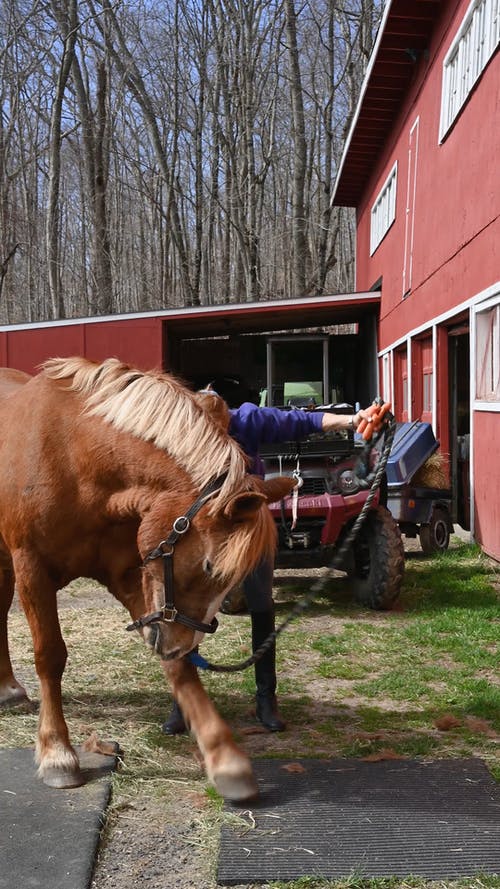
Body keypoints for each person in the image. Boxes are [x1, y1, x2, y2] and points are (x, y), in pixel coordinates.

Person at [162, 380, 368, 735]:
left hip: (246, 525)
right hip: (205, 527)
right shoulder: (182, 430)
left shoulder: (248, 420)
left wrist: (354, 421)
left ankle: (265, 698)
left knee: (261, 606)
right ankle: (182, 701)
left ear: (229, 423)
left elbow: (303, 422)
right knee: (185, 607)